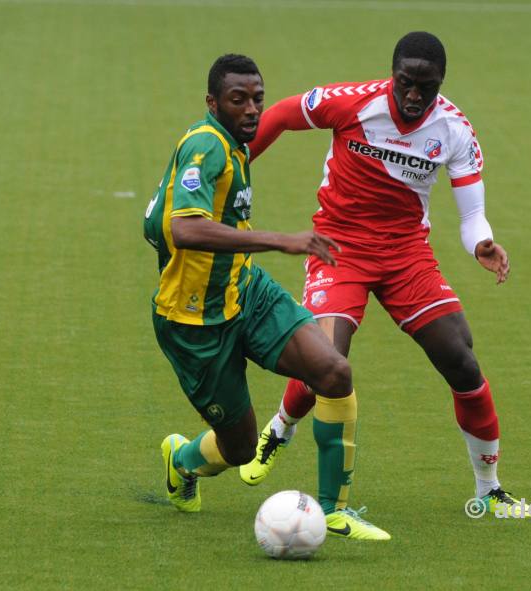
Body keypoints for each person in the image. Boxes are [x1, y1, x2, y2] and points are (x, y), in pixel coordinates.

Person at [239, 32, 531, 520]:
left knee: (461, 361)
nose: (415, 96)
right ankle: (282, 427)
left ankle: (490, 490)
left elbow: (471, 214)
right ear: (392, 74)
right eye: (406, 83)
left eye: (427, 86)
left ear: (441, 83)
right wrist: (238, 162)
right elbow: (284, 115)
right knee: (327, 362)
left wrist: (481, 242)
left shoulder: (455, 130)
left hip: (405, 255)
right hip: (340, 248)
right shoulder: (351, 103)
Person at [143, 54, 391, 538]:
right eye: (239, 100)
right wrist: (281, 239)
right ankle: (183, 460)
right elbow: (184, 228)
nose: (253, 109)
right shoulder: (206, 146)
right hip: (194, 323)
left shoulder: (235, 145)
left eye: (258, 98)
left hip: (246, 291)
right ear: (213, 102)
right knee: (237, 450)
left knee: (333, 371)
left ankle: (334, 512)